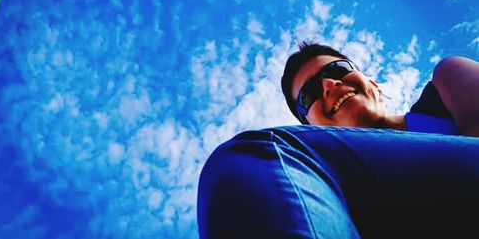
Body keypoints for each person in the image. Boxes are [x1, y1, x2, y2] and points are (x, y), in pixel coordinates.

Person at [197, 43, 479, 239]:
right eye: (308, 95)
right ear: (313, 128)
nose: (329, 85)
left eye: (337, 70)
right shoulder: (331, 206)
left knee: (259, 153)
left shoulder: (446, 84)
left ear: (372, 82)